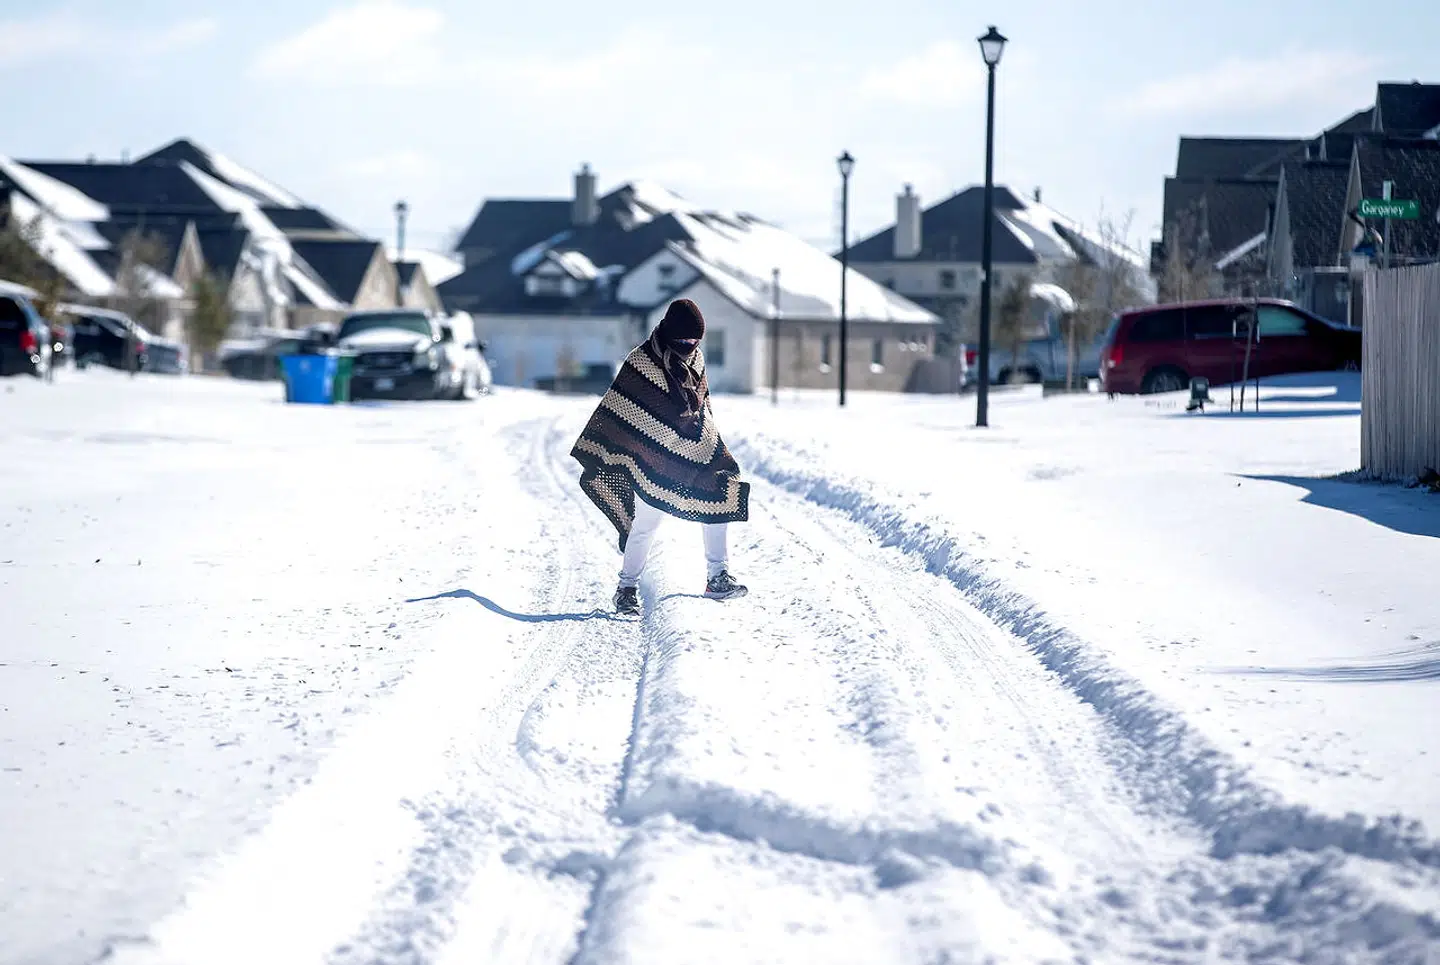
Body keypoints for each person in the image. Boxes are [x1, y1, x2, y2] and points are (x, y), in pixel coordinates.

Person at [571, 298, 750, 615]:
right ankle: (626, 589)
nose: (690, 346)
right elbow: (622, 408)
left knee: (720, 493)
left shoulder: (696, 359)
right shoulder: (641, 361)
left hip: (694, 450)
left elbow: (702, 408)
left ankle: (717, 577)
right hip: (651, 457)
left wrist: (707, 441)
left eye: (696, 341)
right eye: (684, 340)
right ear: (670, 333)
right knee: (645, 525)